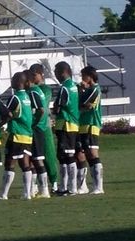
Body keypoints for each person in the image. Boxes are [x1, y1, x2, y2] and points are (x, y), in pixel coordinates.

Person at [0, 72, 33, 200]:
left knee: (10, 164)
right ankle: (27, 193)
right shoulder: (27, 97)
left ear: (18, 82)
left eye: (13, 79)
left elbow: (8, 114)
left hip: (17, 134)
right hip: (27, 135)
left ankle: (4, 194)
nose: (11, 81)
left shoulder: (15, 97)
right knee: (25, 164)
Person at [29, 63, 59, 192]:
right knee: (33, 156)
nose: (32, 77)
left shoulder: (45, 89)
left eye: (34, 75)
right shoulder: (30, 89)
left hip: (44, 126)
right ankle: (35, 185)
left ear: (41, 74)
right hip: (33, 126)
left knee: (49, 154)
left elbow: (43, 106)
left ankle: (54, 182)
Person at [53, 61, 80, 196]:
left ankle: (71, 187)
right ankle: (64, 187)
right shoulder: (74, 86)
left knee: (67, 156)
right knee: (65, 156)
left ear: (63, 72)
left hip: (66, 124)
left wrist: (54, 110)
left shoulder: (65, 88)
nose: (55, 75)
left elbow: (58, 106)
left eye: (56, 72)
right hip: (73, 123)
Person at [24, 70, 51, 198]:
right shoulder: (36, 90)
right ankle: (33, 189)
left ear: (27, 81)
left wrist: (34, 123)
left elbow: (40, 110)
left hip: (36, 129)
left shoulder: (33, 92)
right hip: (37, 128)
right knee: (32, 160)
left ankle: (44, 190)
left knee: (37, 160)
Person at [78, 66, 104, 194]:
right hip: (83, 125)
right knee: (87, 154)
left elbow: (86, 105)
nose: (82, 78)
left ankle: (99, 186)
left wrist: (81, 93)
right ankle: (89, 186)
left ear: (90, 76)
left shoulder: (95, 89)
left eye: (83, 76)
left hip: (92, 124)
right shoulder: (88, 89)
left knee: (93, 153)